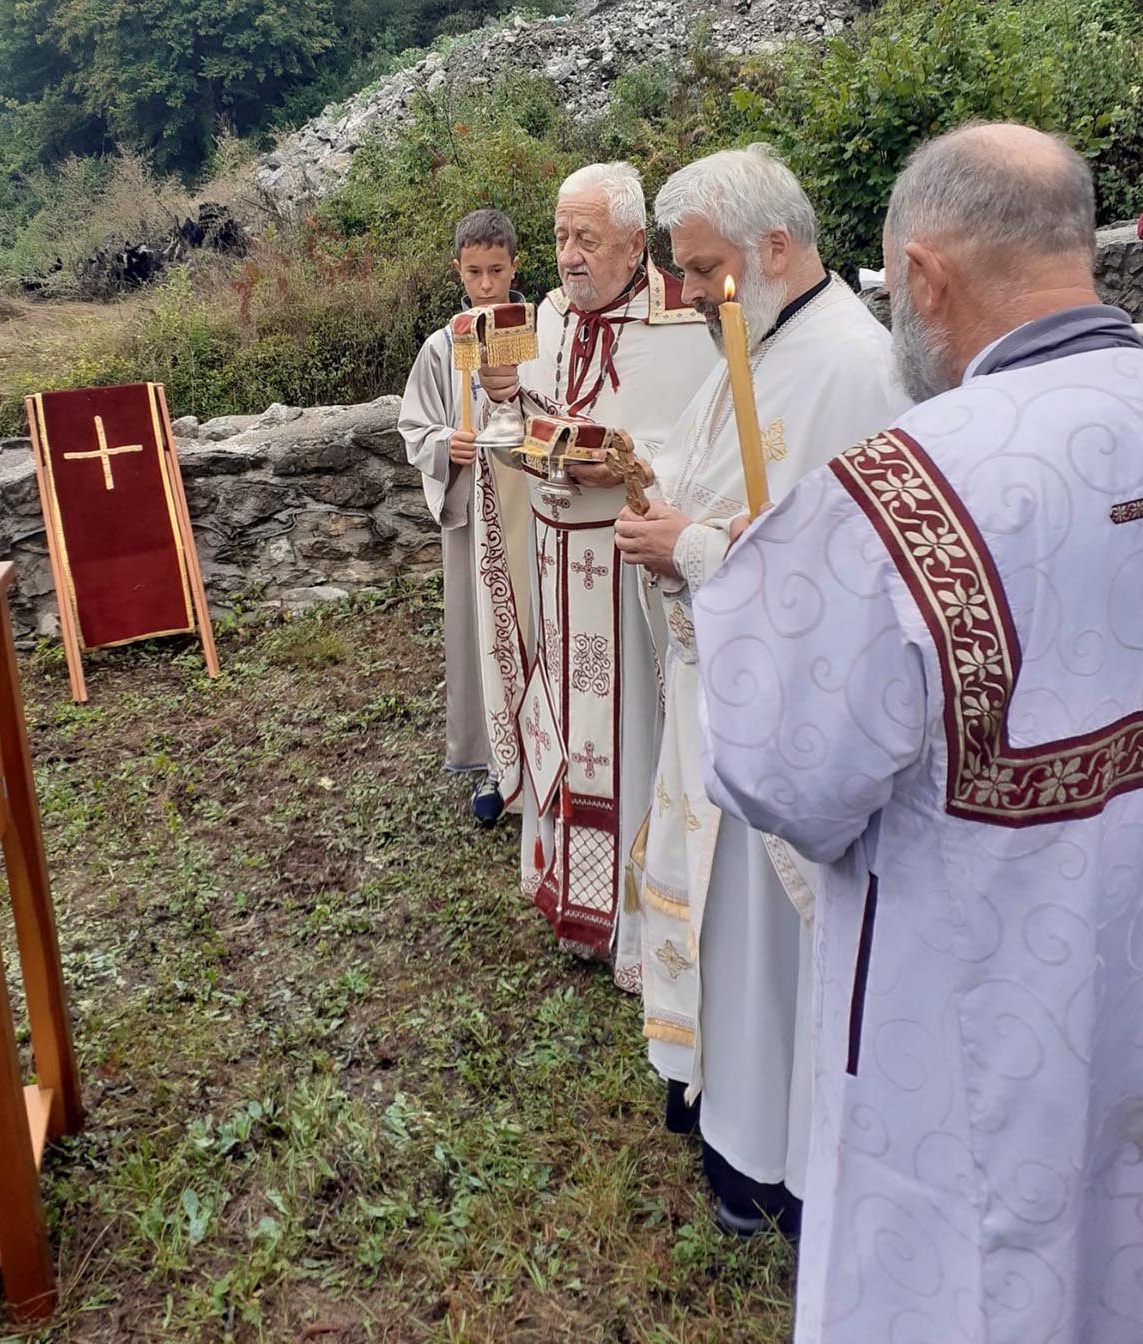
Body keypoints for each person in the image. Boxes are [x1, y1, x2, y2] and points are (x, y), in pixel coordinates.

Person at [695, 121, 1143, 1342]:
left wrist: (746, 580)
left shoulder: (903, 488)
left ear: (929, 276)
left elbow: (780, 768)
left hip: (974, 1019)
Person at [613, 146, 907, 1238]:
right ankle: (715, 1095)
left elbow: (850, 574)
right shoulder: (764, 336)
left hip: (789, 713)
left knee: (769, 941)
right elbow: (732, 482)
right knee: (714, 907)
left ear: (775, 248)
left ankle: (771, 1155)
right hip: (717, 688)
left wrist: (689, 547)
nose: (683, 291)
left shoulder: (854, 369)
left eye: (699, 268)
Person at [475, 162, 717, 986]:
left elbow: (703, 455)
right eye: (559, 237)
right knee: (563, 720)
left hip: (630, 578)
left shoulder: (688, 328)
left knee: (631, 733)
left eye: (588, 239)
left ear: (634, 243)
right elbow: (526, 417)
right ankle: (562, 889)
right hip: (556, 558)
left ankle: (629, 922)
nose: (568, 256)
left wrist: (622, 464)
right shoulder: (544, 313)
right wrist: (511, 397)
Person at [398, 209, 521, 826]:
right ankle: (495, 759)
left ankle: (549, 755)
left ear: (515, 267)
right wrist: (448, 443)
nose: (485, 286)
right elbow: (413, 425)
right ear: (457, 271)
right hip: (474, 514)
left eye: (496, 271)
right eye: (473, 272)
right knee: (480, 634)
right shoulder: (440, 347)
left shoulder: (539, 332)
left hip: (531, 512)